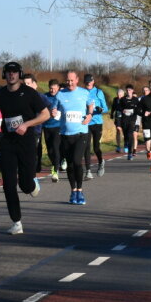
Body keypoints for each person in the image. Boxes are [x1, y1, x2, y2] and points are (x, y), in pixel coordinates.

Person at [0, 62, 49, 235]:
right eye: (8, 72)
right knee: (8, 183)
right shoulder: (0, 95)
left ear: (19, 74)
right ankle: (16, 222)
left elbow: (45, 114)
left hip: (26, 140)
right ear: (4, 74)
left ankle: (31, 184)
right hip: (6, 141)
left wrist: (27, 124)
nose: (11, 75)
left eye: (14, 72)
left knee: (25, 184)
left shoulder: (29, 93)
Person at [56, 71, 94, 204]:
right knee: (70, 165)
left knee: (77, 161)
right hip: (65, 135)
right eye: (67, 80)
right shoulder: (60, 94)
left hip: (81, 133)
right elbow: (54, 110)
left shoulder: (84, 93)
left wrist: (89, 115)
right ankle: (73, 191)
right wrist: (53, 111)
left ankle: (80, 190)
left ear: (77, 80)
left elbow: (90, 104)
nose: (70, 83)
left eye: (72, 80)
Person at [82, 74, 107, 179]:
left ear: (93, 82)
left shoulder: (98, 92)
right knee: (86, 147)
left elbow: (106, 108)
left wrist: (101, 109)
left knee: (96, 147)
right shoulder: (81, 92)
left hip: (97, 123)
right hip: (86, 122)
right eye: (86, 82)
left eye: (89, 82)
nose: (88, 84)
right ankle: (88, 171)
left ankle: (101, 162)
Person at [22, 73, 48, 174]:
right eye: (24, 84)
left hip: (36, 129)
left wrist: (53, 112)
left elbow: (48, 110)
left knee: (34, 152)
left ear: (34, 84)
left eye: (28, 83)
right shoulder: (20, 97)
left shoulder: (40, 97)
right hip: (22, 129)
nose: (26, 86)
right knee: (25, 153)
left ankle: (33, 174)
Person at [41, 79, 63, 183]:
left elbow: (65, 110)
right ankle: (55, 163)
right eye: (50, 88)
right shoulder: (45, 96)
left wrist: (57, 113)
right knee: (49, 150)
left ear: (58, 88)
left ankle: (55, 170)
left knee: (55, 147)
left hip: (58, 126)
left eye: (54, 88)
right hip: (46, 126)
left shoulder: (61, 96)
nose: (52, 90)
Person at [118, 85, 140, 160]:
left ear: (132, 91)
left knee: (130, 135)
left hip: (132, 119)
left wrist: (134, 111)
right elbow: (119, 108)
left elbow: (138, 109)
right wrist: (122, 110)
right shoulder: (122, 99)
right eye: (127, 90)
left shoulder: (136, 99)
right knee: (126, 135)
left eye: (130, 90)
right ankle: (126, 142)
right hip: (124, 119)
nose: (128, 92)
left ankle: (130, 153)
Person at [110, 88, 126, 153]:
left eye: (120, 95)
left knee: (125, 131)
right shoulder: (115, 99)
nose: (119, 96)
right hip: (117, 116)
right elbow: (113, 107)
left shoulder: (125, 99)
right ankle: (118, 146)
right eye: (118, 95)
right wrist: (111, 113)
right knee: (118, 130)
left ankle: (126, 145)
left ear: (123, 94)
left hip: (125, 117)